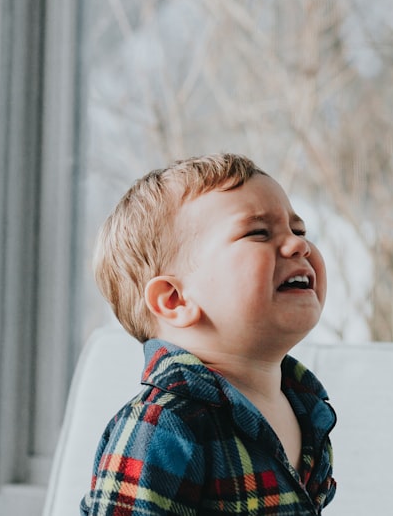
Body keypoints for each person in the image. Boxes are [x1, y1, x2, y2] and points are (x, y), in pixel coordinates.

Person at [81, 153, 337, 515]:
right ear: (175, 299)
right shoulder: (162, 424)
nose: (299, 246)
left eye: (299, 230)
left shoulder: (306, 409)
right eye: (259, 233)